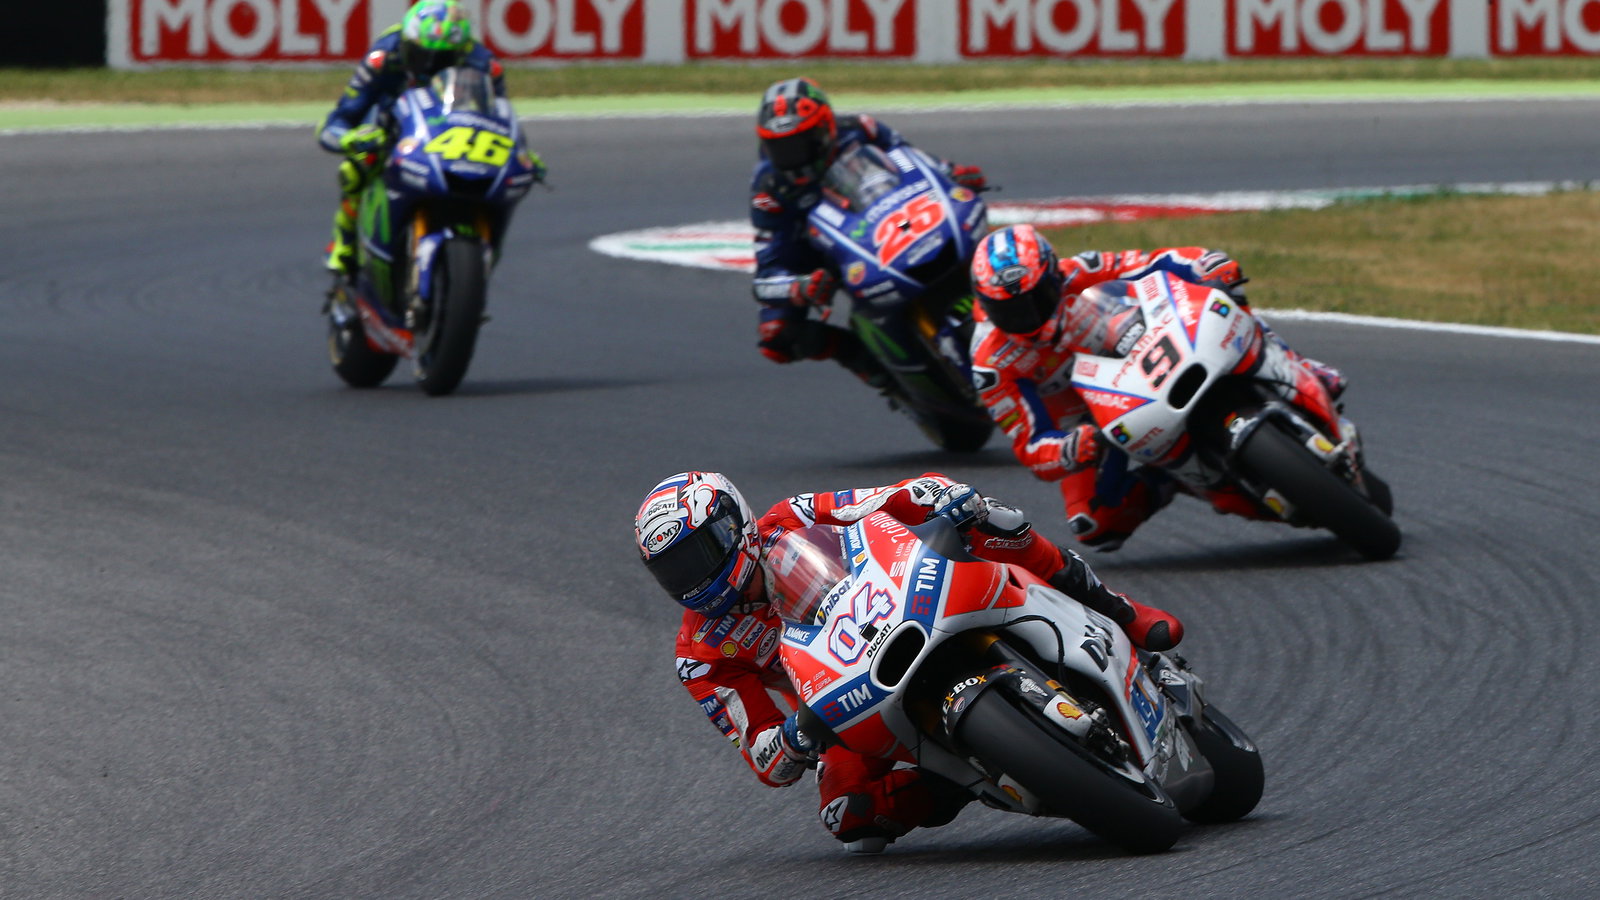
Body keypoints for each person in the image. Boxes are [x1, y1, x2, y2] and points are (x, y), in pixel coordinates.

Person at [634, 470, 1182, 853]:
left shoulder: (792, 518)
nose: (693, 580)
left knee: (991, 518)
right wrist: (794, 739)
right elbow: (762, 756)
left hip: (897, 605)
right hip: (841, 700)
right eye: (674, 572)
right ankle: (969, 775)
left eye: (699, 555)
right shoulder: (700, 655)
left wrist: (940, 497)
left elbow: (884, 500)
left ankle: (1121, 610)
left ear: (734, 526)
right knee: (849, 818)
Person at [967, 224, 1347, 551]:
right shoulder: (991, 363)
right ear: (985, 303)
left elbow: (1158, 261)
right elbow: (1031, 444)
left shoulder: (1080, 270)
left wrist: (1205, 265)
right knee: (1094, 523)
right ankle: (1175, 478)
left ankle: (1298, 364)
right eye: (1009, 311)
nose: (1027, 318)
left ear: (1053, 275)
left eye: (1035, 300)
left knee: (1223, 298)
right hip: (1092, 422)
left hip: (1143, 349)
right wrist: (1070, 448)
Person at [748, 77, 988, 388]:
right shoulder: (769, 189)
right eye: (779, 147)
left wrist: (949, 173)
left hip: (883, 218)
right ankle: (870, 367)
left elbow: (909, 157)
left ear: (825, 131)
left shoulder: (859, 128)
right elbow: (765, 275)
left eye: (799, 144)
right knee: (776, 337)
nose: (790, 157)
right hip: (811, 252)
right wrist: (798, 287)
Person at [316, 0, 506, 275]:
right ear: (406, 44)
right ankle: (344, 243)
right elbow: (340, 119)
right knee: (356, 168)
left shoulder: (484, 64)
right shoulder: (383, 57)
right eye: (420, 55)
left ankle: (485, 242)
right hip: (394, 128)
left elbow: (498, 118)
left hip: (456, 134)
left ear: (461, 53)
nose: (428, 67)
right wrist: (351, 138)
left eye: (442, 60)